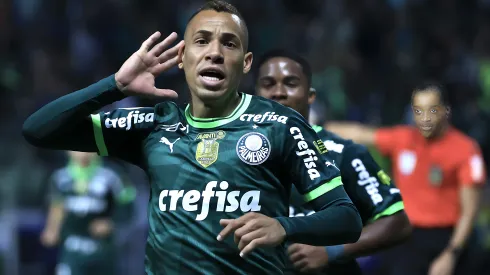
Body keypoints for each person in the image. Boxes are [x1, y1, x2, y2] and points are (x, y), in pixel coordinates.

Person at [23, 1, 362, 274]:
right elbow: (39, 130)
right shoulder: (153, 125)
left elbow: (346, 218)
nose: (214, 52)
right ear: (183, 57)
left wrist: (284, 226)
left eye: (228, 44)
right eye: (202, 41)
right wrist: (114, 86)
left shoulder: (280, 124)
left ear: (245, 64)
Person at [256, 49, 412, 275]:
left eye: (290, 83)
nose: (279, 92)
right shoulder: (236, 152)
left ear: (310, 96)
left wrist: (332, 251)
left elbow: (397, 222)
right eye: (268, 84)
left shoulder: (344, 153)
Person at [326, 83, 486, 275]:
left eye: (432, 110)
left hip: (446, 238)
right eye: (418, 110)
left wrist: (451, 253)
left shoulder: (465, 149)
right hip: (406, 237)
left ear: (446, 111)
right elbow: (360, 133)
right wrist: (313, 125)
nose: (424, 118)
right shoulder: (403, 139)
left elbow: (469, 211)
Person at [40, 151, 135, 275]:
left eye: (86, 148)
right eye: (76, 148)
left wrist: (111, 223)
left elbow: (128, 205)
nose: (82, 153)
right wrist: (52, 228)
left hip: (103, 250)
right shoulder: (59, 177)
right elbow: (57, 205)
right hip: (72, 250)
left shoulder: (113, 175)